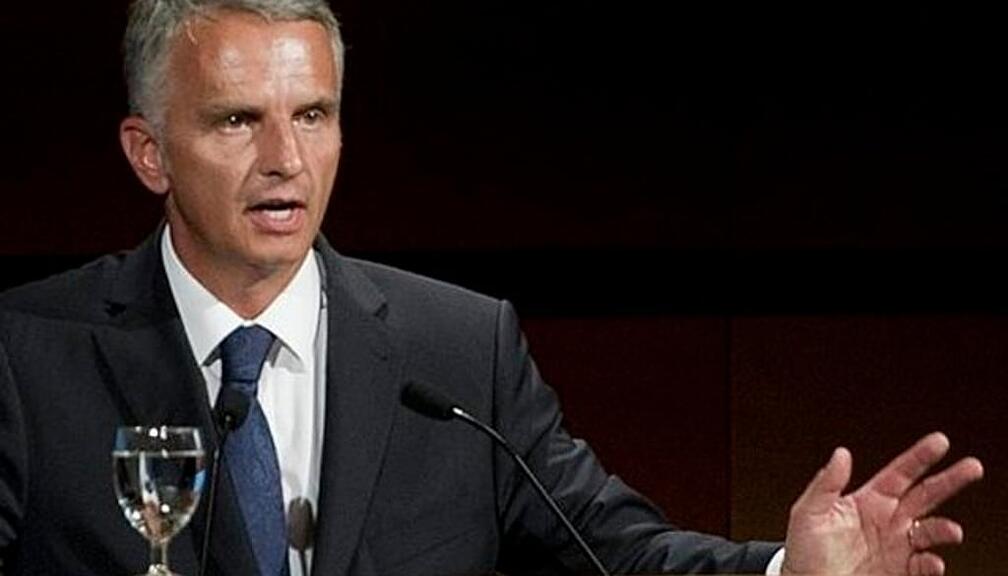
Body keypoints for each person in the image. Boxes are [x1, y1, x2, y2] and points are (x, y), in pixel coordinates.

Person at [0, 1, 983, 575]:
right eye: (235, 120)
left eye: (313, 114)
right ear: (149, 152)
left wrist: (782, 569)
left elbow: (610, 551)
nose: (285, 159)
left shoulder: (457, 349)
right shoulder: (26, 355)